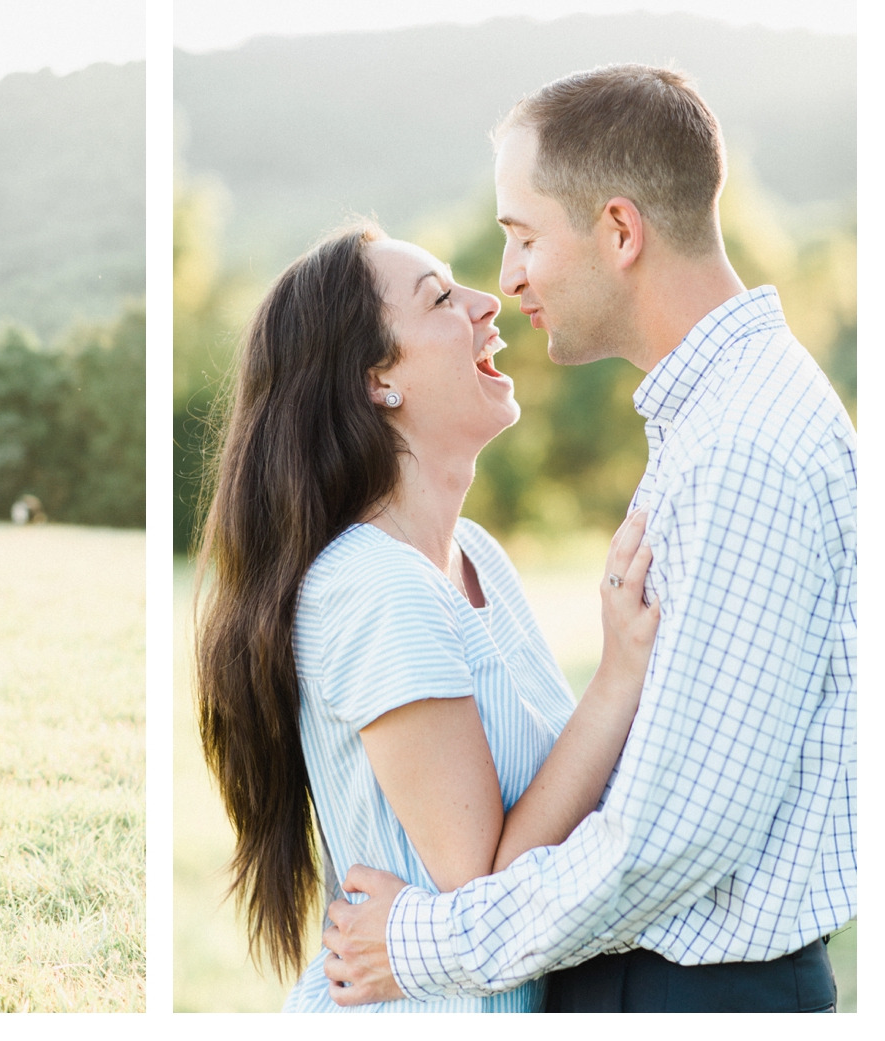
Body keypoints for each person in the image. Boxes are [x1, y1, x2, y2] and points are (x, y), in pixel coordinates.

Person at [323, 65, 855, 1013]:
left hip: (694, 995)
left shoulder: (742, 450)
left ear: (619, 230)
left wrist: (420, 939)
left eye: (523, 236)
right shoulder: (719, 422)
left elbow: (675, 838)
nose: (508, 279)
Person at [194, 222, 662, 1012]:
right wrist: (618, 677)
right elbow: (480, 883)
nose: (489, 303)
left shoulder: (474, 555)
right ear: (378, 379)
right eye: (442, 298)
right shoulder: (377, 587)